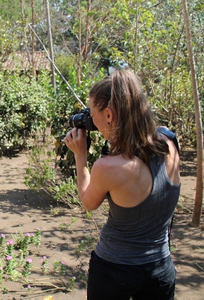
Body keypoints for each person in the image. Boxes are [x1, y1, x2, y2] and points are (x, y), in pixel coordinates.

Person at [64, 70, 180, 299]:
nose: (91, 121)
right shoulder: (169, 143)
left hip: (114, 271)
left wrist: (80, 157)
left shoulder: (110, 167)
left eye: (92, 114)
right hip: (160, 268)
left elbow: (88, 202)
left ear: (109, 115)